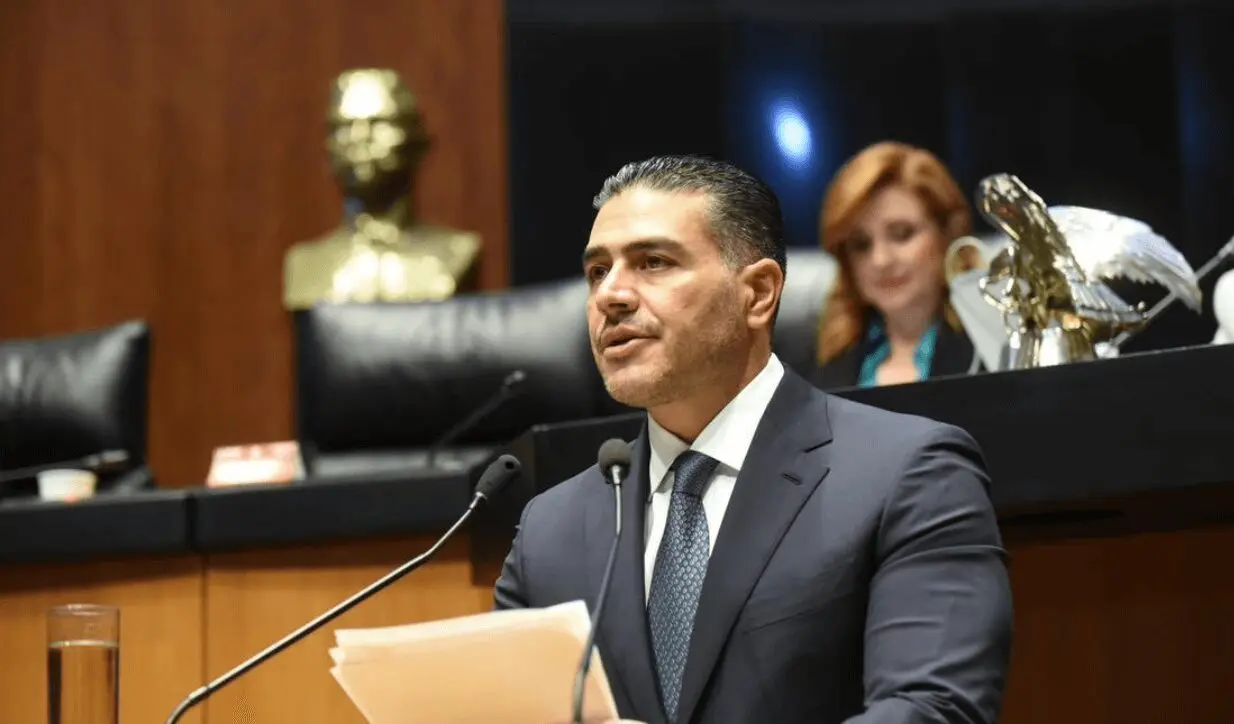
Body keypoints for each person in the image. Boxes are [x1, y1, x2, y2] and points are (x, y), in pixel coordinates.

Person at [494, 155, 1013, 724]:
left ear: (759, 293)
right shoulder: (550, 530)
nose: (610, 295)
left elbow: (932, 710)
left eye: (653, 262)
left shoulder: (909, 473)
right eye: (598, 271)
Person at [812, 141, 983, 390]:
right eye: (861, 245)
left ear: (948, 234)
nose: (881, 260)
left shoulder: (992, 350)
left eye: (902, 234)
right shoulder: (828, 363)